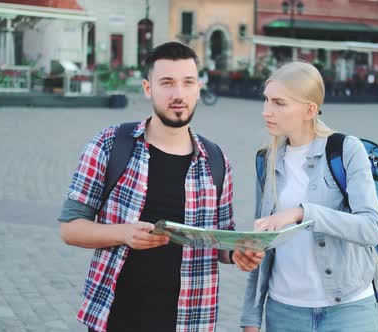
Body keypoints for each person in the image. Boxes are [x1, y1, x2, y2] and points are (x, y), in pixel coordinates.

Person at [58, 41, 263, 332]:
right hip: (116, 319)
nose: (178, 94)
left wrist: (237, 252)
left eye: (187, 82)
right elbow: (70, 228)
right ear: (147, 88)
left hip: (189, 321)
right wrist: (124, 233)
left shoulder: (216, 160)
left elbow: (219, 238)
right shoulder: (110, 144)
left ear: (198, 88)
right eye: (166, 83)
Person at [240, 62, 378, 332]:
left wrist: (303, 213)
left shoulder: (346, 150)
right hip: (284, 312)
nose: (266, 111)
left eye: (279, 103)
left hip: (348, 310)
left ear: (310, 110)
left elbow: (371, 228)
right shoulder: (266, 159)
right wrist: (251, 317)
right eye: (267, 100)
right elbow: (263, 240)